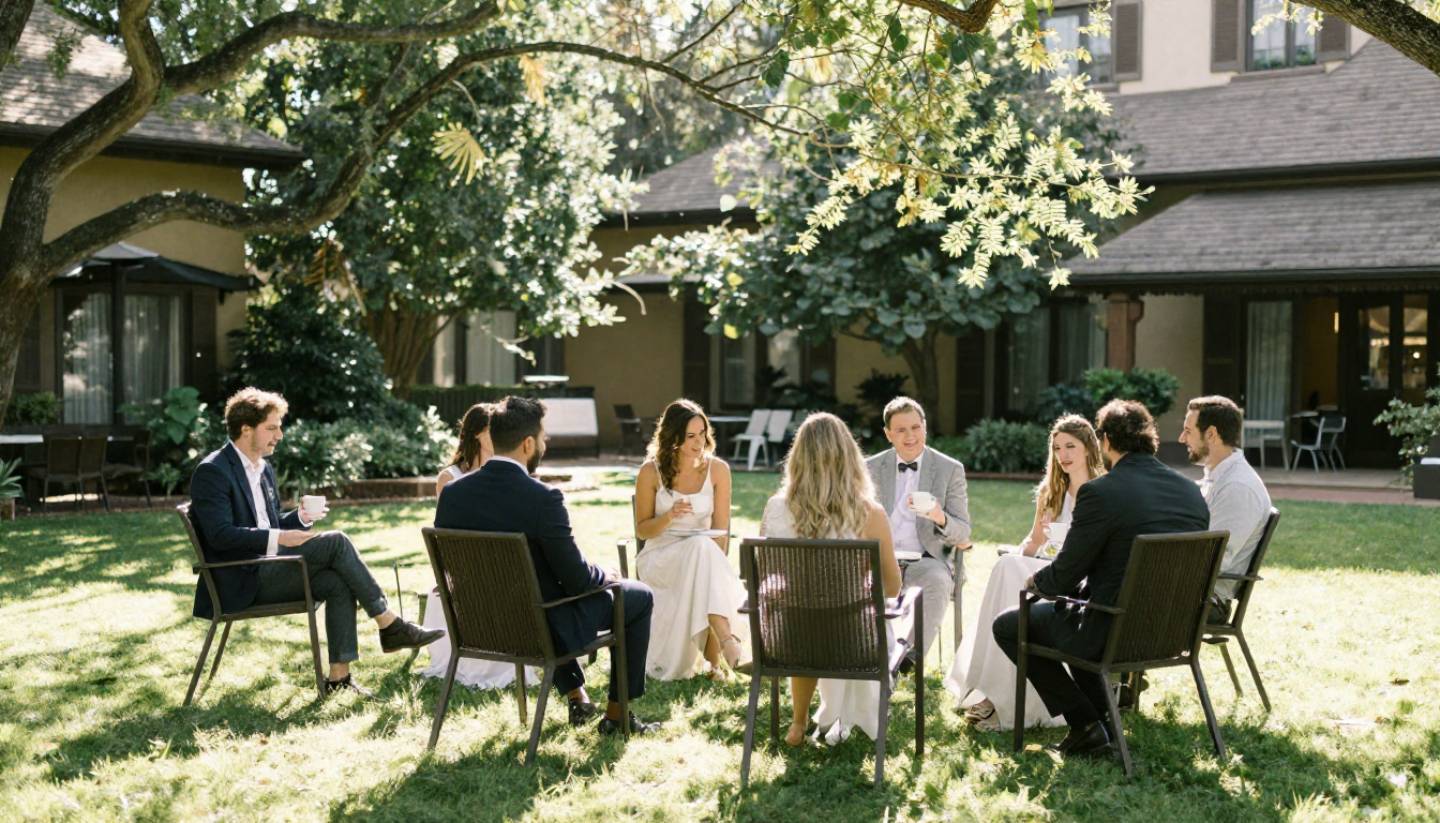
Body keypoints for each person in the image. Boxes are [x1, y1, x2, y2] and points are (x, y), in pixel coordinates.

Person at [189, 387, 443, 697]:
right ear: (245, 430)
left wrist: (301, 517)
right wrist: (282, 537)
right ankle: (389, 624)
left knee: (336, 581)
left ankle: (339, 678)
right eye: (271, 427)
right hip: (240, 579)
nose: (279, 435)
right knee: (336, 542)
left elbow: (267, 524)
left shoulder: (262, 468)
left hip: (270, 567)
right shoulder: (212, 471)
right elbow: (221, 535)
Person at [992, 399, 1209, 759]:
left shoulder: (1100, 492)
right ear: (1151, 440)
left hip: (1113, 632)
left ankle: (1086, 724)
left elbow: (1062, 577)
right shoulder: (1191, 494)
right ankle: (1102, 721)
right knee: (1081, 616)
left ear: (1105, 441)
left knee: (1010, 626)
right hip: (1175, 631)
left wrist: (1035, 582)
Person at [434, 396, 659, 735]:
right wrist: (606, 574)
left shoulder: (453, 494)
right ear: (527, 444)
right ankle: (617, 718)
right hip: (537, 628)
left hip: (479, 624)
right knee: (638, 597)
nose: (544, 443)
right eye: (542, 437)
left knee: (540, 596)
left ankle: (577, 697)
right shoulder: (543, 498)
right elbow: (579, 580)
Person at [946, 414, 1105, 731]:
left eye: (1071, 446)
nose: (1064, 455)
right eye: (1058, 448)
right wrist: (1028, 547)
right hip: (1046, 567)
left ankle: (1000, 699)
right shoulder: (1052, 491)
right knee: (1009, 565)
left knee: (1012, 572)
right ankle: (995, 692)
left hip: (1080, 578)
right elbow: (1033, 542)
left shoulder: (1103, 490)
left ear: (1088, 448)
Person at [759, 412, 902, 747]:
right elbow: (892, 588)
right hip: (855, 644)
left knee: (804, 617)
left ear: (798, 458)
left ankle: (797, 724)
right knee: (841, 617)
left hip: (787, 641)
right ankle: (840, 715)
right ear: (849, 457)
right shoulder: (870, 513)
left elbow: (766, 575)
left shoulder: (776, 508)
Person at [633, 399, 748, 680]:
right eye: (691, 436)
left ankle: (717, 657)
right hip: (660, 556)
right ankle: (725, 645)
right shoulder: (651, 471)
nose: (700, 442)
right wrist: (669, 516)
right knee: (701, 550)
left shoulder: (718, 470)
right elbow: (642, 530)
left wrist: (713, 566)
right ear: (673, 437)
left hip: (705, 556)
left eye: (703, 434)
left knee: (702, 550)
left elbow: (721, 530)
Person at [864, 397, 971, 668]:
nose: (910, 436)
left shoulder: (950, 469)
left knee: (937, 581)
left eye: (915, 427)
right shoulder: (869, 468)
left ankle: (907, 660)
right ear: (888, 434)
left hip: (927, 557)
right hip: (879, 557)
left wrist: (939, 516)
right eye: (901, 430)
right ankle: (865, 655)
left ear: (925, 427)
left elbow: (963, 533)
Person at [1178, 395, 1273, 623]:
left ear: (1211, 434)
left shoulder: (1237, 487)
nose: (1182, 439)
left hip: (1206, 601)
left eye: (1188, 431)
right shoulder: (1217, 478)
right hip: (1192, 591)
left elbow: (1213, 559)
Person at [434, 403, 494, 497]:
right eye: (493, 429)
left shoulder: (504, 474)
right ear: (476, 433)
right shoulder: (449, 478)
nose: (501, 435)